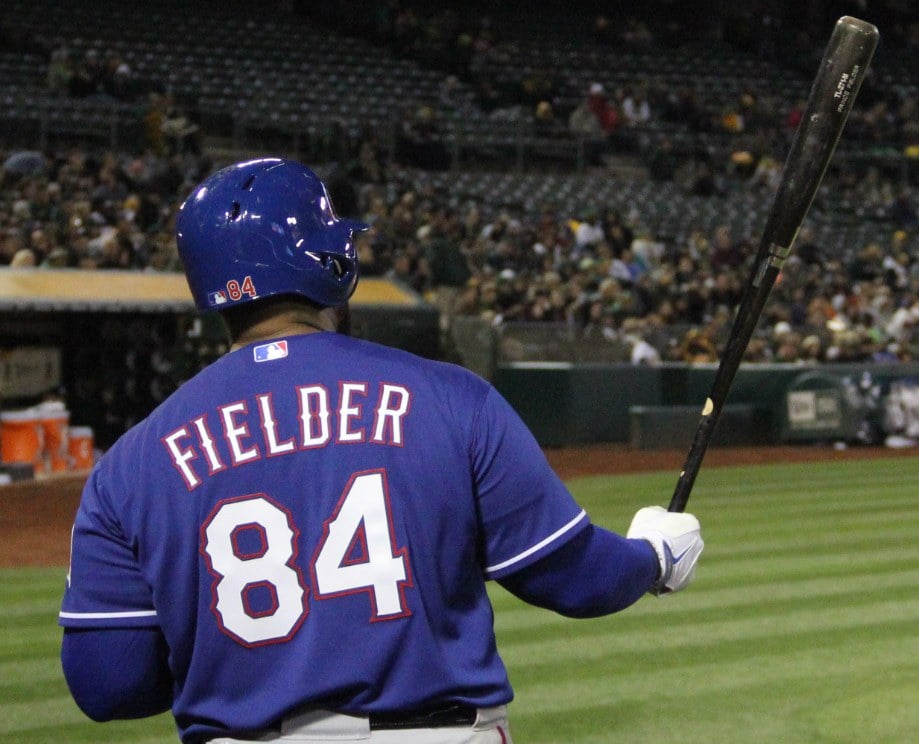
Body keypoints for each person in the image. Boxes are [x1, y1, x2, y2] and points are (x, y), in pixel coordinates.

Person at [59, 158, 703, 744]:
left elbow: (108, 681)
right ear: (331, 260)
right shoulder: (450, 398)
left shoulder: (130, 463)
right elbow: (573, 575)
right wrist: (654, 557)